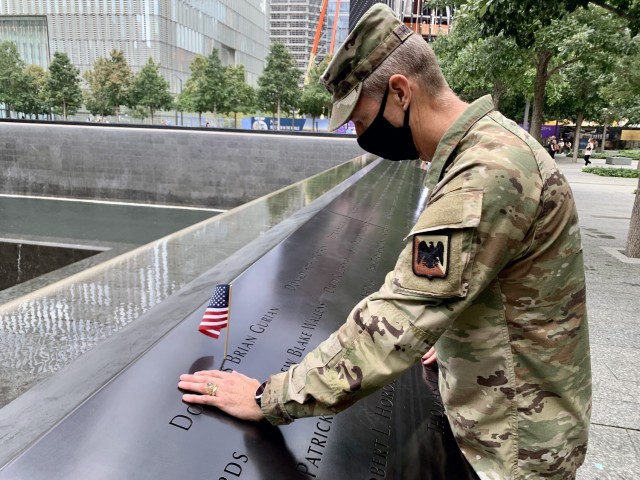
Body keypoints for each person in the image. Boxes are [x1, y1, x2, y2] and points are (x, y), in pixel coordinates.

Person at [178, 4, 592, 479]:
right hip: (500, 419)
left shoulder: (486, 175)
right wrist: (461, 335)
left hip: (512, 452)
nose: (358, 136)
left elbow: (394, 323)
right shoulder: (488, 147)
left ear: (399, 92)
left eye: (358, 119)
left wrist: (266, 398)